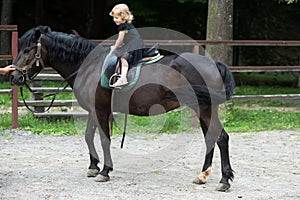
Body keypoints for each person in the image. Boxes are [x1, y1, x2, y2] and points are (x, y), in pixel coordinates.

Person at [109, 3, 145, 88]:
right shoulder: (127, 25)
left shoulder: (123, 26)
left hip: (134, 45)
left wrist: (114, 48)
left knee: (123, 58)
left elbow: (120, 39)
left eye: (117, 18)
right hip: (135, 44)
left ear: (124, 17)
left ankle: (123, 78)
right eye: (114, 18)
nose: (114, 20)